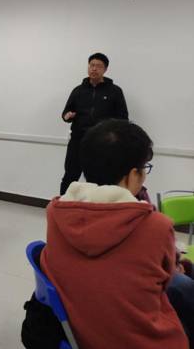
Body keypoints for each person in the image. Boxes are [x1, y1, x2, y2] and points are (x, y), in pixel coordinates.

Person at [41, 119, 188, 349]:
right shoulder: (155, 226)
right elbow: (168, 279)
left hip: (82, 336)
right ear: (132, 175)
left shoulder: (56, 212)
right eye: (144, 169)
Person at [60, 53, 128, 195]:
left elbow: (123, 119)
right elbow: (66, 112)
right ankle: (62, 204)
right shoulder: (78, 90)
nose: (94, 69)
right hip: (78, 140)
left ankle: (98, 207)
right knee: (70, 176)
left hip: (102, 143)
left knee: (100, 179)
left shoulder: (115, 91)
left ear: (105, 69)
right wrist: (67, 116)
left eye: (98, 66)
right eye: (91, 65)